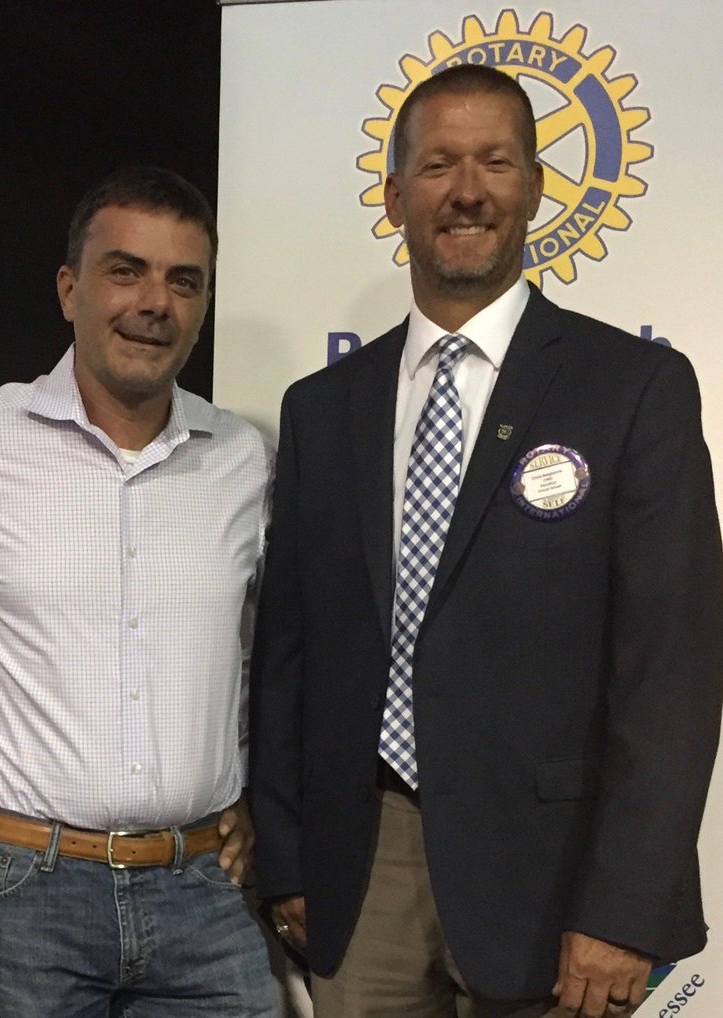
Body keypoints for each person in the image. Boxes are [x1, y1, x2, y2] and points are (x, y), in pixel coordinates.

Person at [250, 64, 723, 1018]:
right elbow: (290, 655)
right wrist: (289, 855)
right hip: (363, 867)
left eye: (495, 161)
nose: (467, 190)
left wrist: (625, 907)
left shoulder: (634, 386)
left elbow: (671, 671)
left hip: (560, 879)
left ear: (536, 187)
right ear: (393, 196)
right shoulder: (322, 407)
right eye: (437, 165)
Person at [0, 165, 279, 1017]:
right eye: (125, 270)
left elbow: (268, 649)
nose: (155, 303)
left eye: (184, 281)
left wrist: (254, 787)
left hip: (205, 889)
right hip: (26, 894)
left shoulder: (244, 460)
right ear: (70, 289)